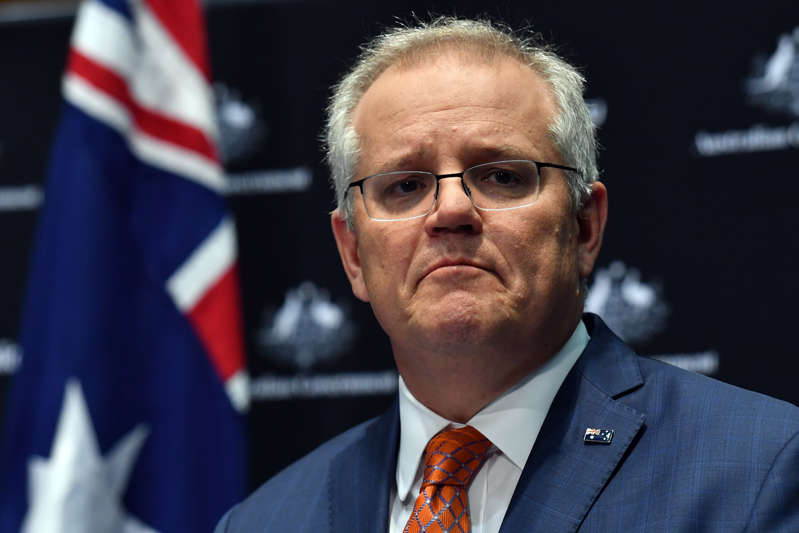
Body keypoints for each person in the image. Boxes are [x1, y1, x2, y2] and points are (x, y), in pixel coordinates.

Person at [216, 17, 799, 532]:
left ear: (585, 227)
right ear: (353, 255)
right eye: (405, 186)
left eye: (501, 177)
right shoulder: (264, 520)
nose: (450, 212)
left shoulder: (761, 467)